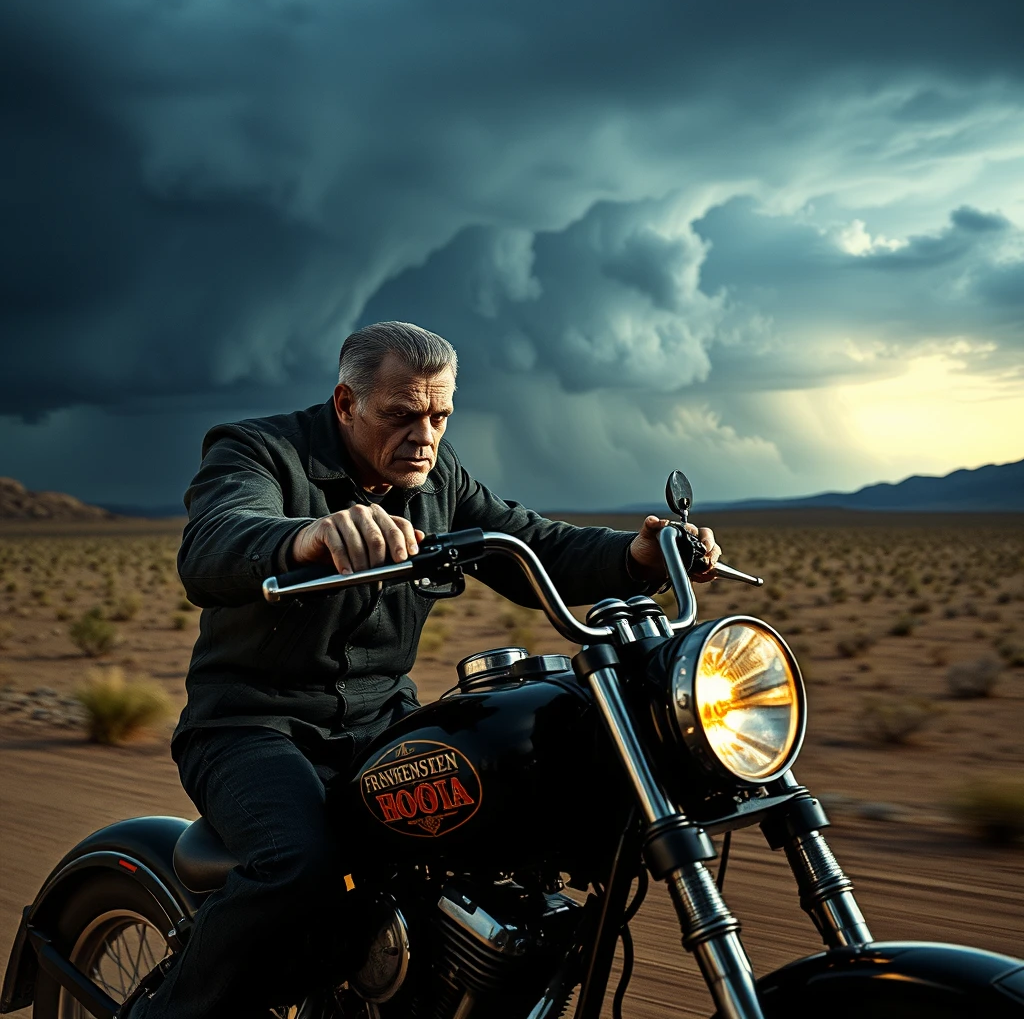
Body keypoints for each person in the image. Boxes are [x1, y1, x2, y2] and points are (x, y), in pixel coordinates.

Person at [124, 320, 721, 1018]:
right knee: (302, 868)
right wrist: (309, 536)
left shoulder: (437, 476)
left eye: (440, 415)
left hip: (381, 722)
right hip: (253, 726)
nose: (425, 435)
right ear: (346, 405)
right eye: (402, 414)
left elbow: (529, 541)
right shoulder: (260, 451)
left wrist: (638, 558)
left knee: (507, 823)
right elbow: (216, 539)